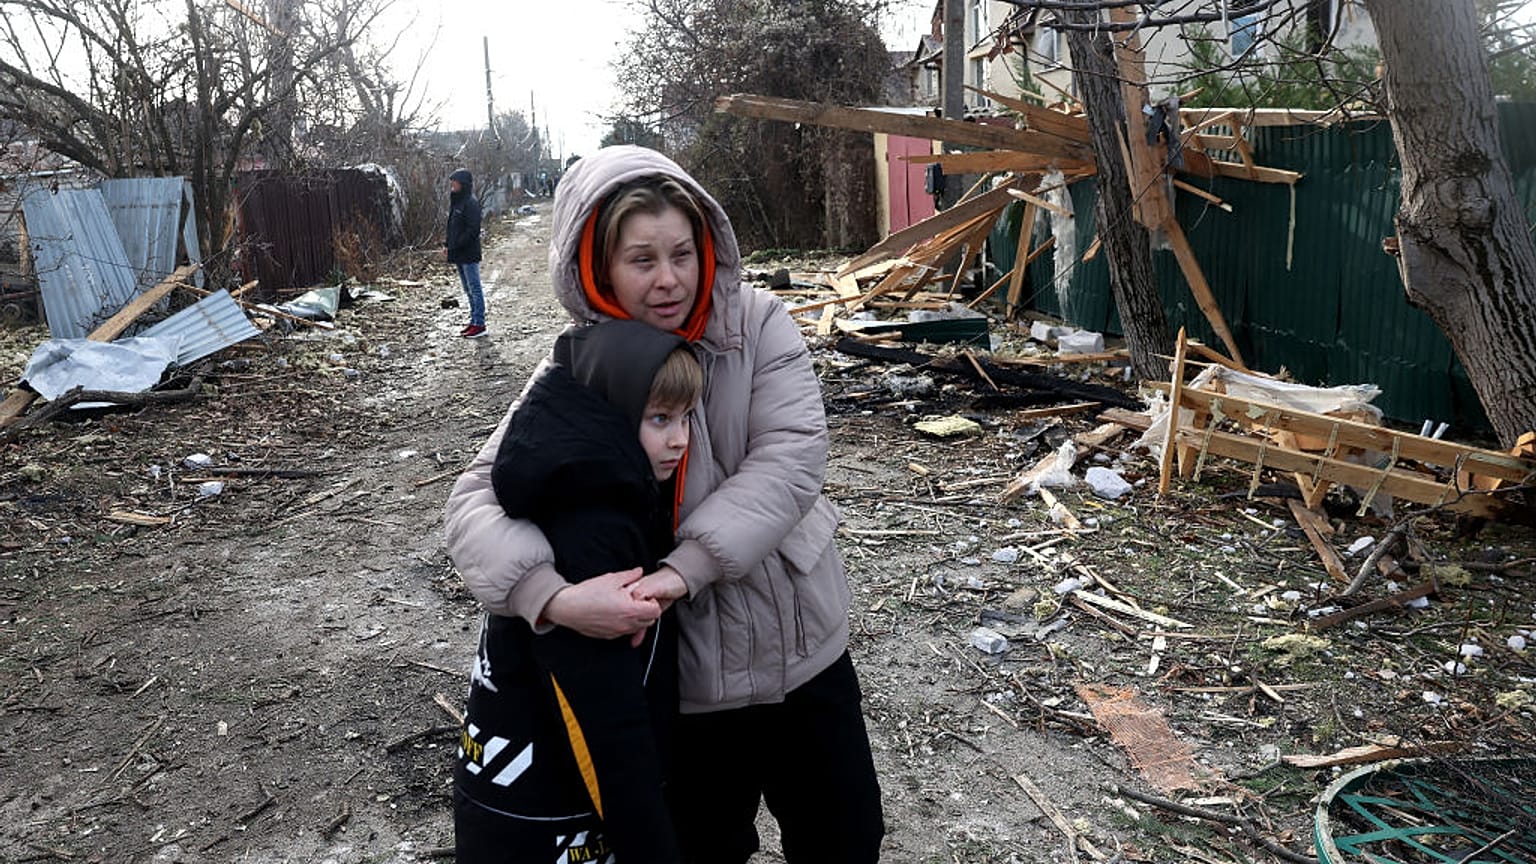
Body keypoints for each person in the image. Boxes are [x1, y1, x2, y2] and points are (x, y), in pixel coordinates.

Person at [444, 145, 884, 863]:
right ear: (597, 263)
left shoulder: (757, 323)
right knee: (706, 848)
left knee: (846, 837)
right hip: (683, 690)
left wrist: (682, 569)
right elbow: (474, 500)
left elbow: (791, 458)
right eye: (642, 260)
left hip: (799, 652)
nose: (670, 279)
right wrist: (551, 599)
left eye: (682, 252)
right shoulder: (577, 367)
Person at [454, 318, 700, 862]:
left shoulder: (567, 482)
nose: (680, 439)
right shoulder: (592, 534)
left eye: (686, 417)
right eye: (660, 418)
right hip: (548, 821)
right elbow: (604, 724)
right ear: (609, 414)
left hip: (510, 797)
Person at [445, 168, 486, 338]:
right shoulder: (457, 202)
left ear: (462, 184)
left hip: (468, 253)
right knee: (467, 290)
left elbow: (472, 230)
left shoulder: (471, 202)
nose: (452, 185)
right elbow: (452, 227)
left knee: (475, 289)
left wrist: (458, 244)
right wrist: (447, 244)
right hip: (458, 253)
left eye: (454, 182)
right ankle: (473, 321)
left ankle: (480, 324)